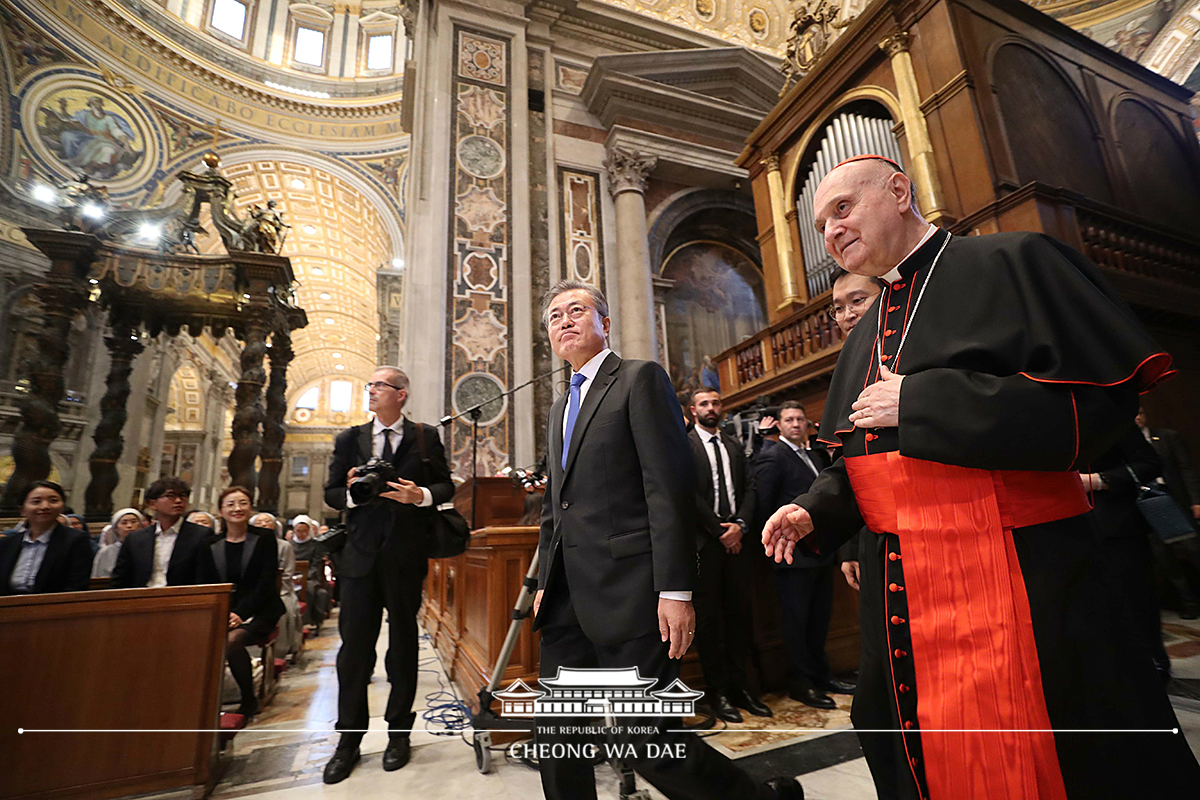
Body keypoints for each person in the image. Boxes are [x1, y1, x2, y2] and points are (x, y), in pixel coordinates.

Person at [762, 155, 1200, 799]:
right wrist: (816, 508)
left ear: (900, 190)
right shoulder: (861, 337)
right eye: (821, 223)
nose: (830, 232)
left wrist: (923, 402)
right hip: (904, 587)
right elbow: (861, 460)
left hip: (1026, 570)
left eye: (843, 209)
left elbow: (1098, 414)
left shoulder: (1016, 262)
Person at [532, 280, 801, 800]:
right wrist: (546, 577)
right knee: (558, 736)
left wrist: (675, 590)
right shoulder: (558, 405)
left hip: (632, 590)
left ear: (604, 324)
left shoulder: (638, 379)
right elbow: (555, 507)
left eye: (577, 310)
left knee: (641, 739)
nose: (564, 321)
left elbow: (668, 489)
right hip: (567, 597)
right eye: (554, 317)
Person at [322, 365, 455, 784]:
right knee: (354, 652)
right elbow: (329, 495)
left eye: (379, 385)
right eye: (370, 386)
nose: (372, 391)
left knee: (402, 649)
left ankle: (399, 733)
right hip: (359, 559)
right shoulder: (350, 440)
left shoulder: (424, 436)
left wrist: (422, 496)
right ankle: (348, 741)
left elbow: (447, 487)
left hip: (405, 555)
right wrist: (351, 491)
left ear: (401, 394)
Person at [753, 401, 847, 709]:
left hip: (820, 553)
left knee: (819, 621)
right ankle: (801, 683)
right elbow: (764, 508)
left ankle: (822, 675)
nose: (795, 424)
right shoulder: (772, 457)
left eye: (800, 419)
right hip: (791, 557)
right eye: (789, 419)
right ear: (778, 425)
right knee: (796, 624)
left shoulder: (814, 456)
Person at [687, 388, 771, 723]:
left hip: (738, 543)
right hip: (705, 545)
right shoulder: (685, 445)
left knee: (740, 617)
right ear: (694, 410)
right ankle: (718, 693)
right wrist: (719, 531)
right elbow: (686, 494)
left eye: (716, 402)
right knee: (709, 622)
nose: (711, 408)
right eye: (704, 403)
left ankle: (743, 689)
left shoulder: (733, 444)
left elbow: (750, 488)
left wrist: (740, 526)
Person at [1084, 425, 1171, 679]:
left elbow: (1150, 463)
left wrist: (1100, 480)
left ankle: (1153, 668)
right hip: (1061, 532)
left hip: (1116, 527)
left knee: (1136, 603)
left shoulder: (1108, 416)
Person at [198, 486, 286, 719]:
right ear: (220, 511)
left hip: (261, 608)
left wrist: (240, 613)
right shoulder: (209, 544)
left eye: (243, 503)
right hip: (224, 610)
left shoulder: (264, 538)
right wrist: (225, 612)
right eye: (231, 504)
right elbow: (207, 583)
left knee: (232, 641)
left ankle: (248, 698)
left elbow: (266, 582)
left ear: (250, 507)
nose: (237, 508)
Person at [1136, 407, 1200, 617]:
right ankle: (1188, 603)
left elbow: (1186, 469)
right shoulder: (1124, 446)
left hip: (1174, 498)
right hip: (1147, 502)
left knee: (1193, 550)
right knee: (1163, 557)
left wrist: (1196, 501)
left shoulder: (1167, 437)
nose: (1137, 418)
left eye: (1140, 413)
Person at [110, 477, 211, 588]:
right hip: (141, 598)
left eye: (182, 496)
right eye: (170, 496)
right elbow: (121, 578)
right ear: (152, 504)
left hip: (181, 599)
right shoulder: (135, 538)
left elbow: (204, 578)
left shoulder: (201, 535)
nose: (178, 501)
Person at [0, 481, 93, 595]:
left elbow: (76, 586)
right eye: (36, 502)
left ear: (62, 506)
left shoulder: (75, 540)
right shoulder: (6, 543)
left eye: (53, 501)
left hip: (53, 607)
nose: (45, 506)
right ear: (22, 510)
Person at [250, 512, 302, 658]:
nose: (263, 524)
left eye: (267, 521)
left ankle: (279, 652)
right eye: (259, 522)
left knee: (284, 608)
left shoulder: (284, 546)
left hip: (280, 590)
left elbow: (287, 574)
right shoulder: (248, 544)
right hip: (251, 591)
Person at [290, 514, 330, 631]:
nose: (301, 534)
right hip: (290, 577)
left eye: (304, 531)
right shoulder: (289, 545)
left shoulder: (315, 545)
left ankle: (306, 621)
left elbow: (316, 565)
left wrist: (303, 577)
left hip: (310, 578)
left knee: (308, 589)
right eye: (298, 531)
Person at [91, 507, 146, 579]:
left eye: (133, 522)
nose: (129, 526)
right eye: (124, 523)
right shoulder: (106, 552)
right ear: (116, 528)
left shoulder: (147, 547)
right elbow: (98, 577)